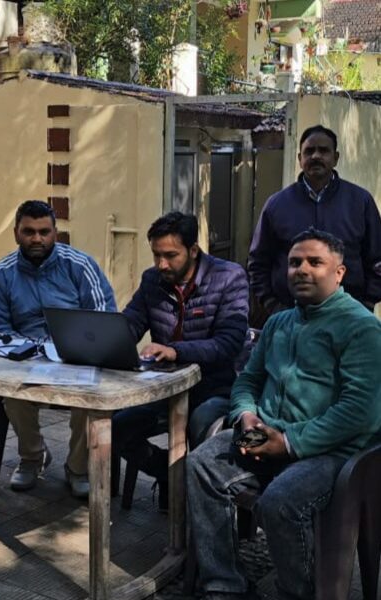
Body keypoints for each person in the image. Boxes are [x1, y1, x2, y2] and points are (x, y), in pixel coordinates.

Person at [188, 228, 381, 600]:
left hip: (333, 453)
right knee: (201, 463)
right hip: (268, 436)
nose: (302, 270)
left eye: (315, 262)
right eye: (294, 263)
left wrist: (289, 443)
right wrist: (246, 416)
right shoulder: (279, 322)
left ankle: (296, 592)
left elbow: (361, 411)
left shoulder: (361, 328)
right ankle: (224, 584)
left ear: (339, 273)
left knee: (280, 502)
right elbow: (248, 380)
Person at [0, 200, 116, 498]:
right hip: (24, 360)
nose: (37, 239)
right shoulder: (0, 275)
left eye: (44, 232)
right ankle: (33, 456)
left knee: (91, 393)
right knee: (11, 393)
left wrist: (75, 349)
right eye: (29, 232)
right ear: (16, 233)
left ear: (56, 232)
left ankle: (77, 467)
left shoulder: (80, 265)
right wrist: (29, 352)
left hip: (76, 357)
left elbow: (103, 316)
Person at [112, 212, 248, 508]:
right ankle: (170, 474)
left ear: (193, 250)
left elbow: (229, 343)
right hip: (164, 387)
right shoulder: (152, 280)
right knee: (117, 427)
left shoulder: (229, 277)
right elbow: (132, 322)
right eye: (156, 255)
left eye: (170, 255)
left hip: (215, 387)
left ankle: (199, 500)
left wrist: (177, 351)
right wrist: (109, 339)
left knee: (201, 422)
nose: (161, 264)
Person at [248, 124, 381, 317]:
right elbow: (258, 262)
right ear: (300, 159)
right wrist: (272, 305)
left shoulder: (360, 202)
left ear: (335, 158)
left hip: (348, 316)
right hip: (290, 316)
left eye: (323, 151)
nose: (316, 156)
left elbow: (377, 260)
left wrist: (366, 304)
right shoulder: (277, 204)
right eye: (309, 151)